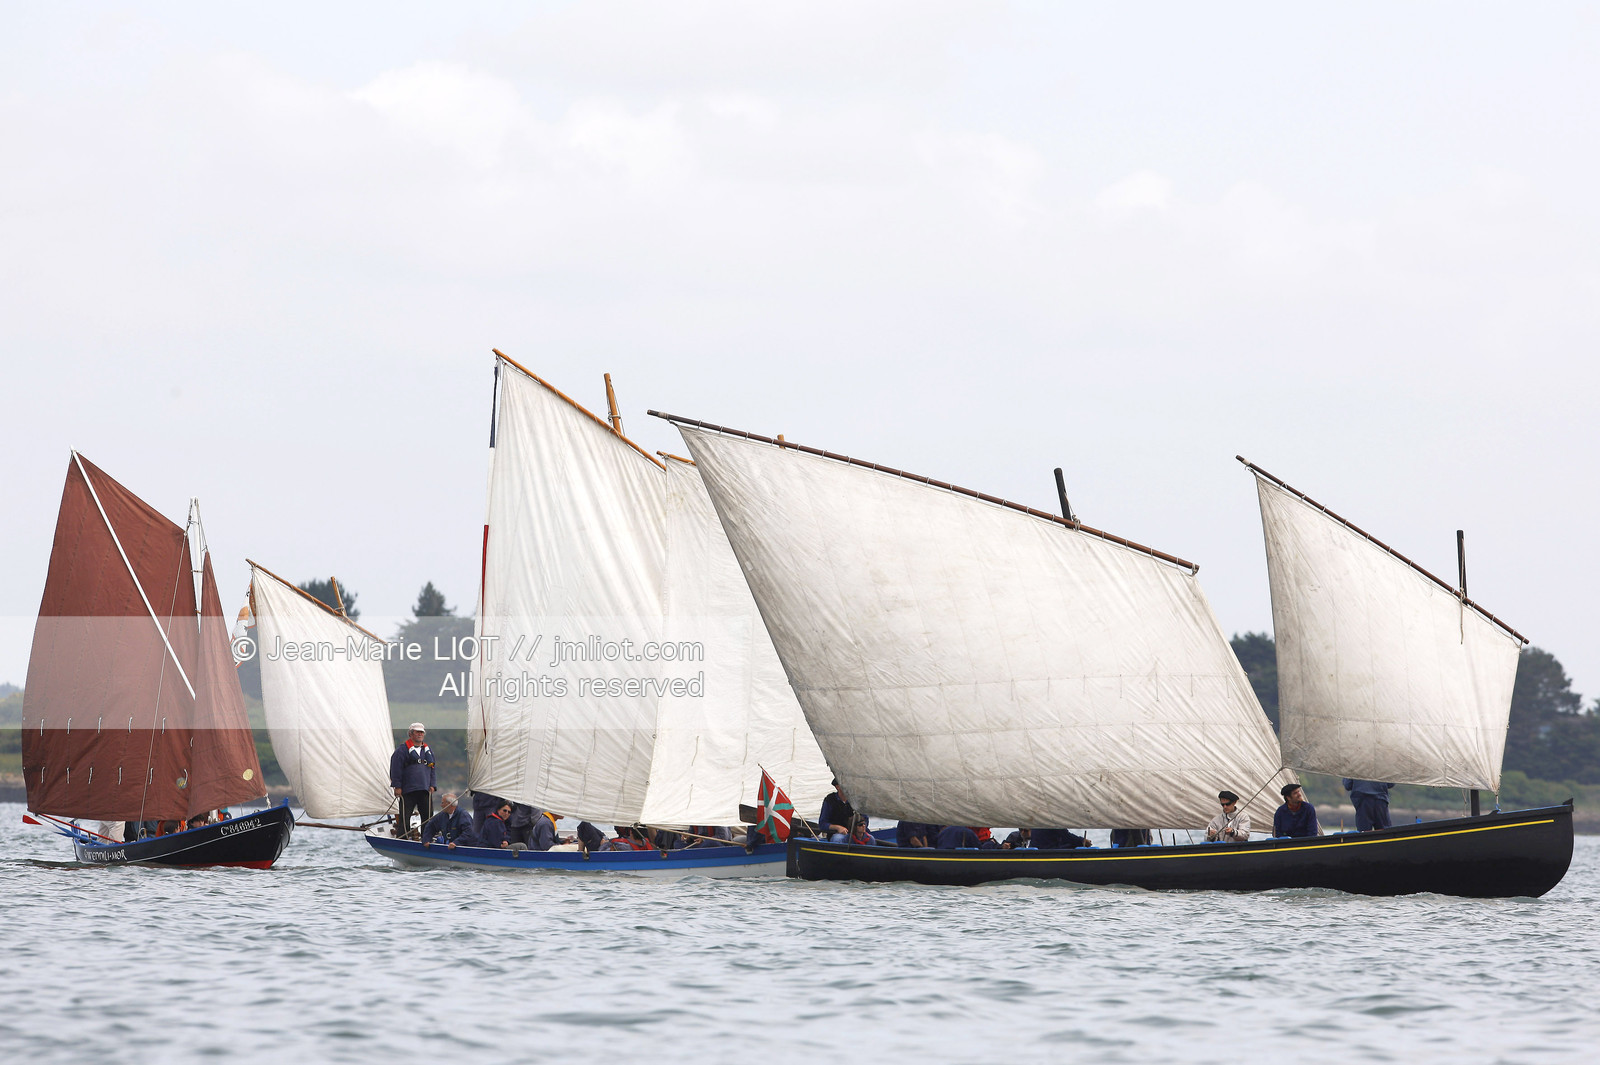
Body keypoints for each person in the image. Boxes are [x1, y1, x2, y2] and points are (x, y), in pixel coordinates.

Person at [389, 723, 437, 839]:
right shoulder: (402, 750)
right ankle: (402, 839)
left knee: (427, 817)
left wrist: (432, 784)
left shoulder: (428, 750)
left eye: (422, 732)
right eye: (417, 732)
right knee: (405, 818)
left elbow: (432, 769)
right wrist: (397, 786)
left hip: (424, 789)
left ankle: (426, 839)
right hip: (408, 790)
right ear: (411, 734)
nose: (420, 734)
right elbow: (395, 769)